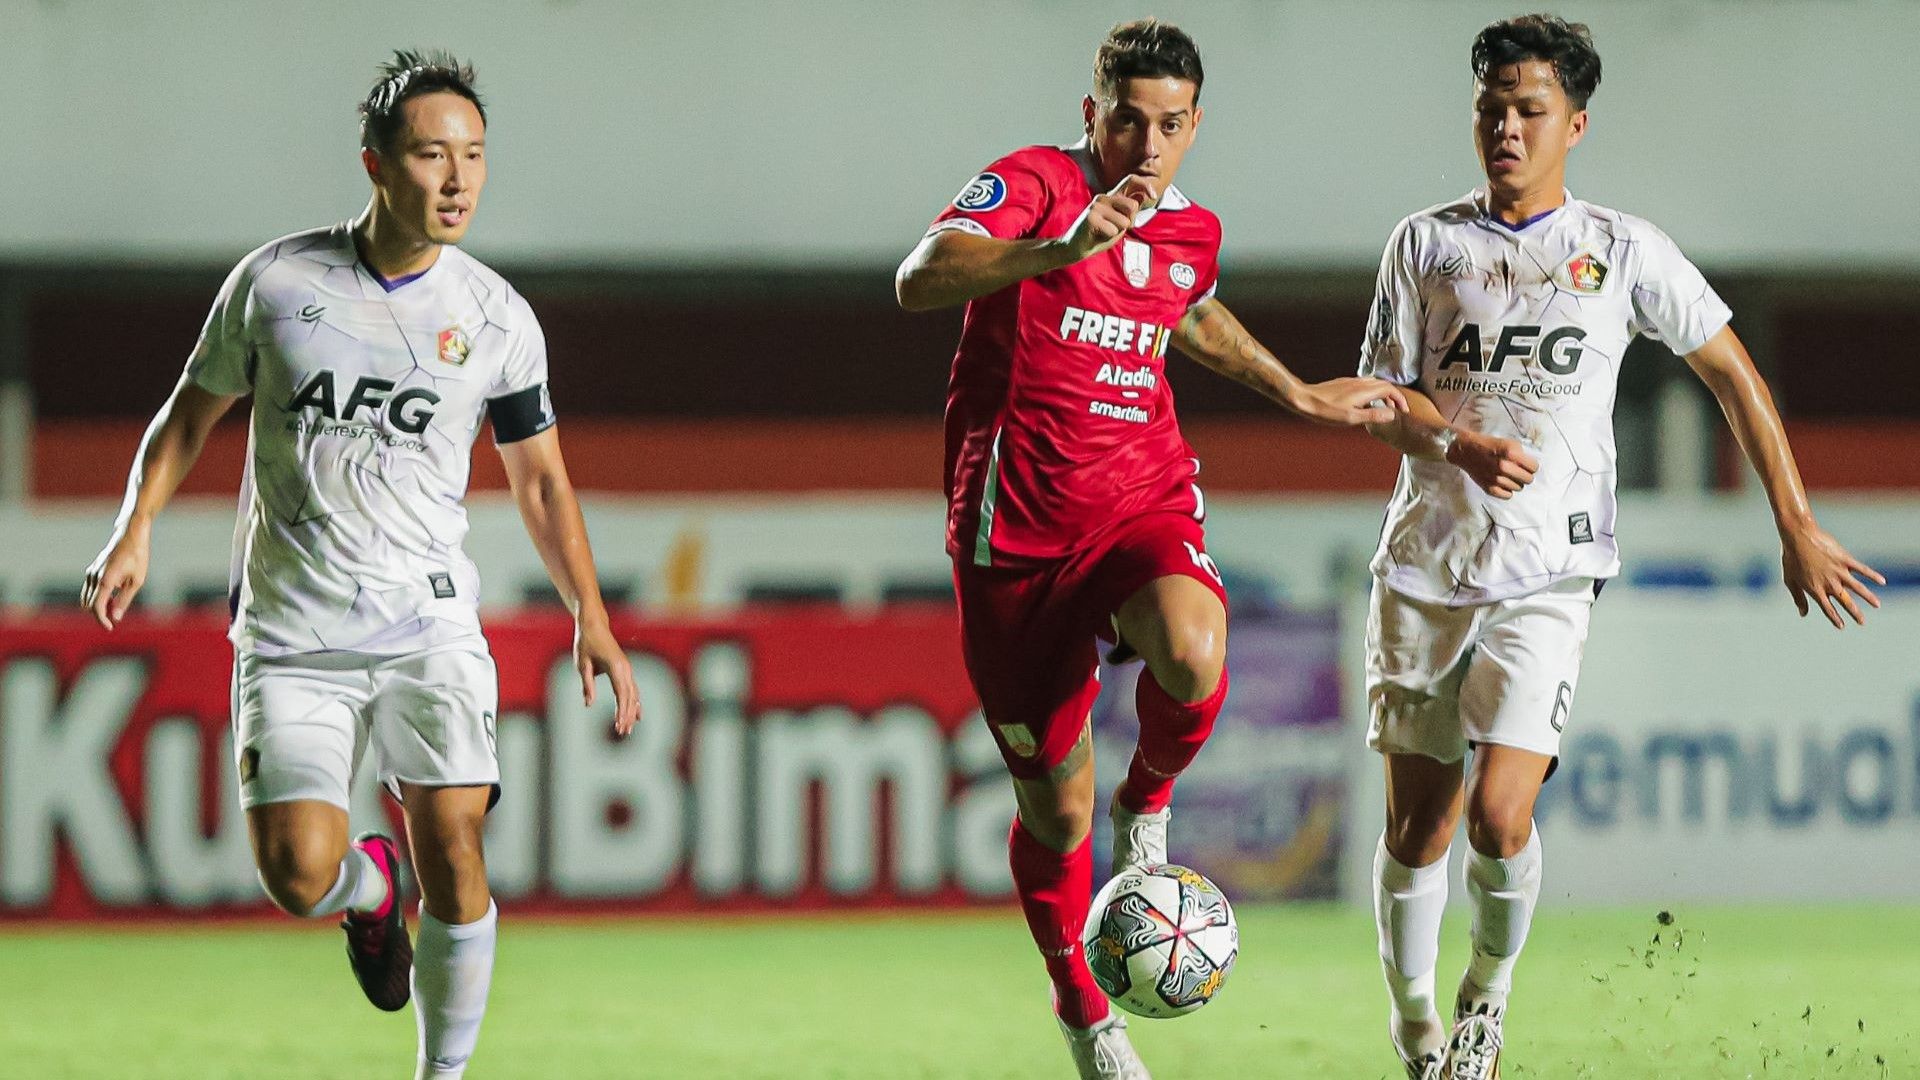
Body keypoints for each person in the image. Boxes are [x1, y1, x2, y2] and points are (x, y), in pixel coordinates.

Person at [80, 50, 640, 1080]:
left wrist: (590, 614)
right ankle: (369, 897)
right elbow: (187, 414)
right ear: (377, 165)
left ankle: (442, 1075)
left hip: (428, 622)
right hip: (293, 630)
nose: (459, 179)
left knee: (457, 850)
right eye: (433, 155)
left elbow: (543, 483)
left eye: (475, 156)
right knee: (297, 873)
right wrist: (135, 525)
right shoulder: (277, 283)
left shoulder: (497, 317)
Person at [1355, 15, 1885, 1079]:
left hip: (1550, 573)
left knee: (1501, 818)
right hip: (1426, 565)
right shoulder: (1425, 243)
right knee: (1419, 827)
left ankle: (1483, 1004)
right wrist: (1458, 443)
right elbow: (1385, 395)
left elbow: (1734, 371)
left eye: (1528, 110)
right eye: (1491, 108)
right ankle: (1414, 1024)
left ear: (1575, 124)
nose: (1505, 127)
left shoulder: (1624, 249)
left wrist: (1795, 520)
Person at [895, 19, 1406, 1079]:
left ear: (1193, 127)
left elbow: (1195, 315)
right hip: (1014, 536)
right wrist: (1058, 249)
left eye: (1170, 125)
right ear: (1093, 113)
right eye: (1127, 119)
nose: (1147, 143)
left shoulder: (1190, 229)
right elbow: (921, 275)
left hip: (1139, 498)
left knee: (1195, 649)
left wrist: (1299, 393)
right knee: (1054, 802)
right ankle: (1086, 1010)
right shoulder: (1033, 184)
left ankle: (1152, 804)